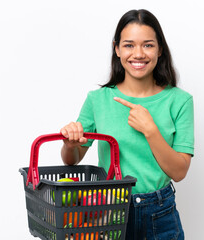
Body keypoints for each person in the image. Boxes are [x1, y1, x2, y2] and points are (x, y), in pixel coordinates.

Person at [60, 9, 194, 240]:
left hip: (159, 213)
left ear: (160, 49)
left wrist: (150, 130)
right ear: (117, 49)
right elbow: (72, 159)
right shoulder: (98, 99)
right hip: (105, 211)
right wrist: (70, 144)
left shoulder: (180, 101)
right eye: (129, 45)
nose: (138, 54)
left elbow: (179, 172)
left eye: (148, 45)